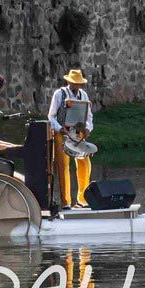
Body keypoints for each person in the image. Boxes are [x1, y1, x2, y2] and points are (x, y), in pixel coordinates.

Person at [47, 68, 98, 209]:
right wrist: (59, 128)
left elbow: (89, 116)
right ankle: (66, 202)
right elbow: (51, 116)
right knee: (63, 166)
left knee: (85, 163)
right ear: (69, 82)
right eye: (74, 83)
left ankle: (83, 199)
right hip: (62, 133)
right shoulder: (59, 94)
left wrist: (88, 128)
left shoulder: (83, 95)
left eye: (79, 83)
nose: (77, 86)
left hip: (78, 132)